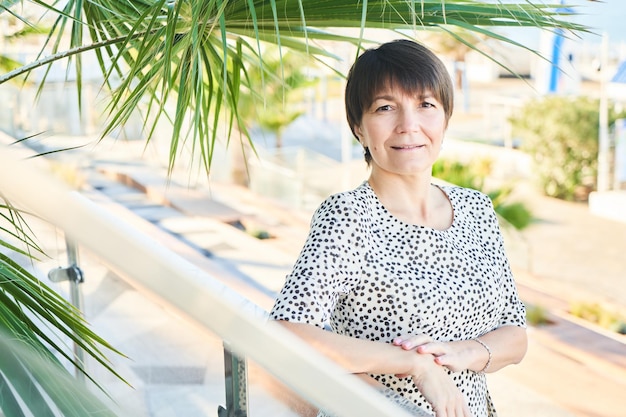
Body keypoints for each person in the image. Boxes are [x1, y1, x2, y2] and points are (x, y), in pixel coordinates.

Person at [269, 39, 527, 417]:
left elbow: (515, 335)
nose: (409, 126)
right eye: (385, 108)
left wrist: (462, 352)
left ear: (446, 117)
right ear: (358, 127)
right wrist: (413, 364)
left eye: (425, 105)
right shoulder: (348, 216)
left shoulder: (476, 208)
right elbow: (287, 333)